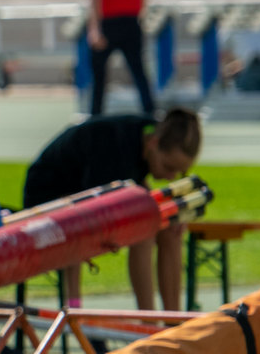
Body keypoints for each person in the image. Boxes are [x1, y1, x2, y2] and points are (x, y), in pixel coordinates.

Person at [22, 108, 203, 311]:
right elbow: (93, 201)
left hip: (85, 198)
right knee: (145, 231)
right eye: (169, 167)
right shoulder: (114, 148)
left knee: (170, 229)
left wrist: (172, 213)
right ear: (153, 144)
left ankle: (173, 322)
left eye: (179, 173)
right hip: (47, 203)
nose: (171, 177)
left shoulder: (151, 133)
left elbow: (137, 187)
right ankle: (146, 321)